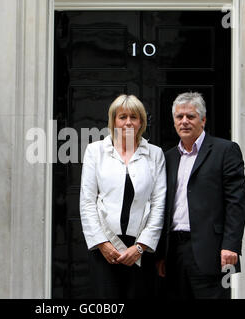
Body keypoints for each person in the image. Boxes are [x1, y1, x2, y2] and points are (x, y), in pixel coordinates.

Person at [155, 92, 245, 299]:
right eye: (179, 117)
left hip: (214, 252)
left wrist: (231, 245)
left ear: (203, 120)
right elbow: (163, 206)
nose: (184, 121)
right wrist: (161, 253)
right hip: (175, 253)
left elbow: (237, 201)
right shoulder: (168, 157)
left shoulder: (226, 150)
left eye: (191, 116)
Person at [79, 94, 166, 298]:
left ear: (141, 122)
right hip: (104, 248)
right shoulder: (95, 151)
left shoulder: (155, 154)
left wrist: (141, 246)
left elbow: (158, 204)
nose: (128, 122)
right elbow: (87, 201)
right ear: (113, 121)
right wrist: (102, 243)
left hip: (140, 249)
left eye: (134, 117)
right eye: (122, 116)